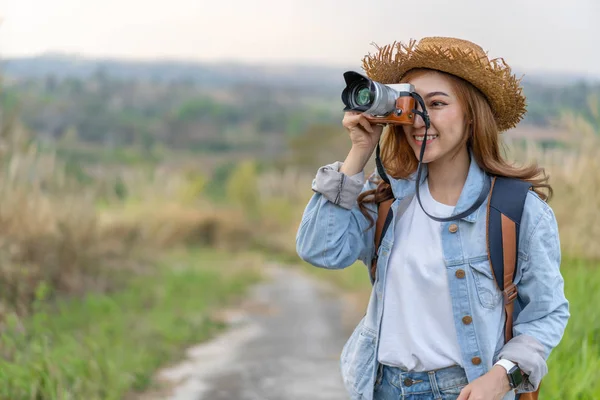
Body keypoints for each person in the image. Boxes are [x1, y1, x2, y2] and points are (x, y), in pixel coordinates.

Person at [296, 37, 569, 400]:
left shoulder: (517, 210)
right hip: (381, 388)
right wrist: (359, 152)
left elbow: (547, 313)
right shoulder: (386, 198)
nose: (420, 119)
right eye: (412, 106)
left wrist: (502, 377)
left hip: (464, 390)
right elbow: (320, 249)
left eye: (438, 104)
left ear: (472, 114)